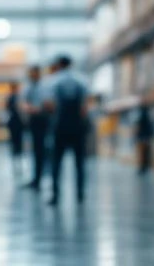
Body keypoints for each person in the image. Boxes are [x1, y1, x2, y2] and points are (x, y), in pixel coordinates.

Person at [43, 55, 89, 205]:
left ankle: (55, 195)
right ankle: (80, 194)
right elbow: (85, 108)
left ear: (59, 65)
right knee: (80, 162)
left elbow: (50, 105)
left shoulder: (54, 81)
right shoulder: (82, 80)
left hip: (60, 126)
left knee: (57, 162)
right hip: (78, 127)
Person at [22, 65, 49, 191]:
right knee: (35, 151)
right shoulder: (29, 88)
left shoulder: (44, 87)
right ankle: (36, 178)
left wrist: (35, 109)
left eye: (33, 73)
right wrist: (27, 107)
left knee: (41, 151)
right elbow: (24, 102)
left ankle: (40, 178)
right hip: (33, 121)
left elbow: (46, 105)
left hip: (42, 121)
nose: (31, 75)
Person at [6, 82, 25, 176]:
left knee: (17, 144)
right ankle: (16, 163)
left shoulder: (17, 98)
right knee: (15, 144)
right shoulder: (14, 98)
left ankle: (18, 163)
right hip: (15, 124)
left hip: (16, 124)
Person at [136, 106, 154, 175]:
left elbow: (138, 128)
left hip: (142, 138)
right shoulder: (148, 118)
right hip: (146, 138)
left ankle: (142, 167)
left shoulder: (141, 117)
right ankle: (144, 167)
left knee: (142, 154)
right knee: (145, 154)